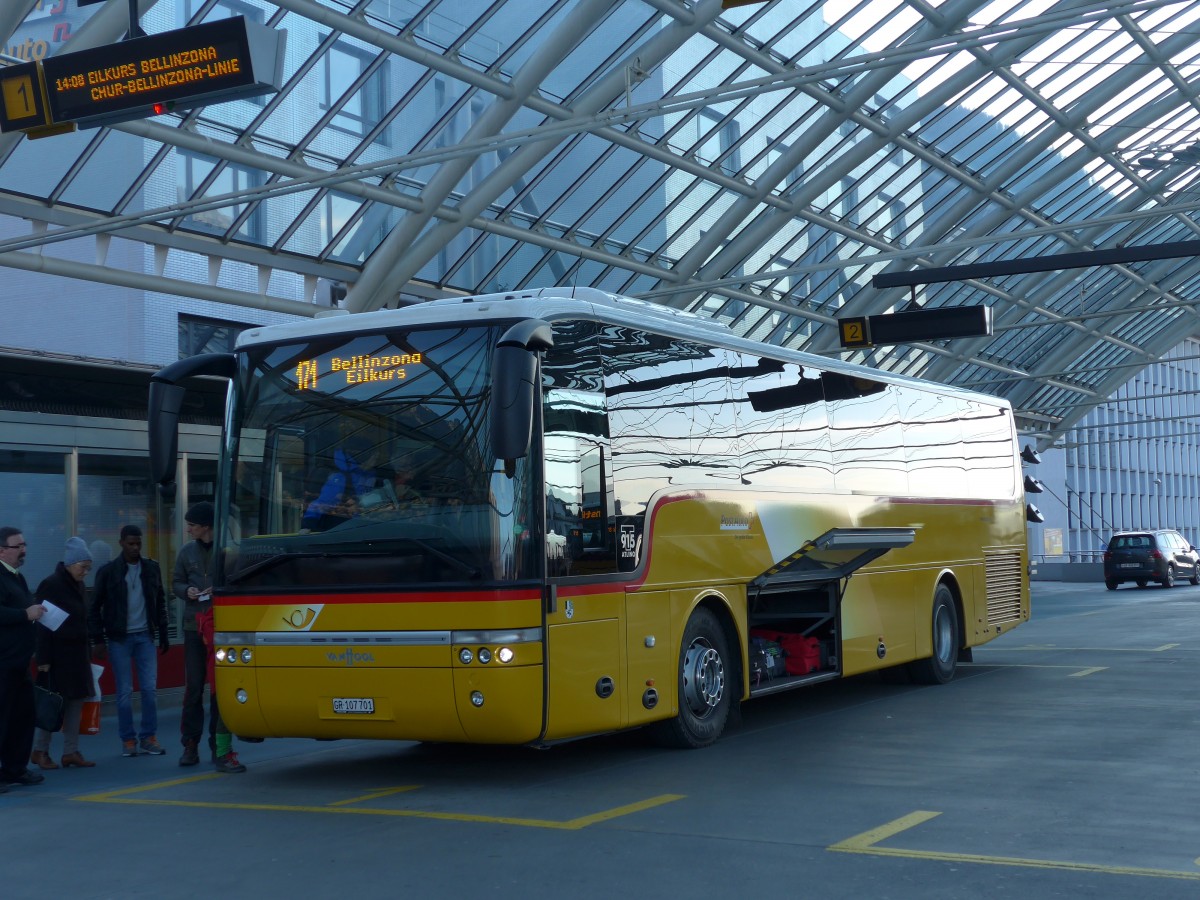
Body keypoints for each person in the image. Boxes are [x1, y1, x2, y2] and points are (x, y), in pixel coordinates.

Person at [173, 502, 245, 773]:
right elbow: (176, 582)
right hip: (194, 627)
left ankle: (219, 747)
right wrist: (186, 590)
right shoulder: (185, 552)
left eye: (192, 524)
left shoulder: (229, 552)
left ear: (205, 526)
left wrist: (222, 589)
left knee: (219, 689)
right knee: (193, 688)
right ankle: (190, 745)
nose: (188, 528)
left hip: (221, 626)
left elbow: (238, 581)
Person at [89, 525, 169, 758]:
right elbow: (94, 608)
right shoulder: (108, 572)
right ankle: (128, 740)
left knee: (149, 689)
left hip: (144, 635)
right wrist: (98, 640)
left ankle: (148, 737)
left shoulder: (151, 569)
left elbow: (160, 602)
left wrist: (163, 633)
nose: (135, 548)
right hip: (119, 637)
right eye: (131, 543)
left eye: (138, 544)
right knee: (124, 691)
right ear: (121, 542)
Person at [31, 538, 97, 769]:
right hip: (58, 656)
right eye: (83, 567)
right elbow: (43, 625)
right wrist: (43, 660)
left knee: (75, 702)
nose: (86, 572)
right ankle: (40, 750)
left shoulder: (77, 584)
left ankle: (70, 751)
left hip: (77, 655)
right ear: (70, 563)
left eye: (89, 567)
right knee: (53, 704)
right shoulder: (52, 584)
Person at [0, 526, 46, 791]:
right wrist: (24, 615)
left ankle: (15, 768)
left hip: (19, 662)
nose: (24, 550)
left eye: (24, 545)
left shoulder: (16, 577)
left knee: (22, 716)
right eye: (18, 546)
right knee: (3, 717)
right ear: (2, 550)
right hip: (4, 661)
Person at [302, 437, 384, 530]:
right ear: (363, 457)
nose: (376, 460)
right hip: (344, 529)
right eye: (374, 457)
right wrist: (308, 524)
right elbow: (322, 504)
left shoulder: (371, 475)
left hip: (365, 525)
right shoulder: (340, 478)